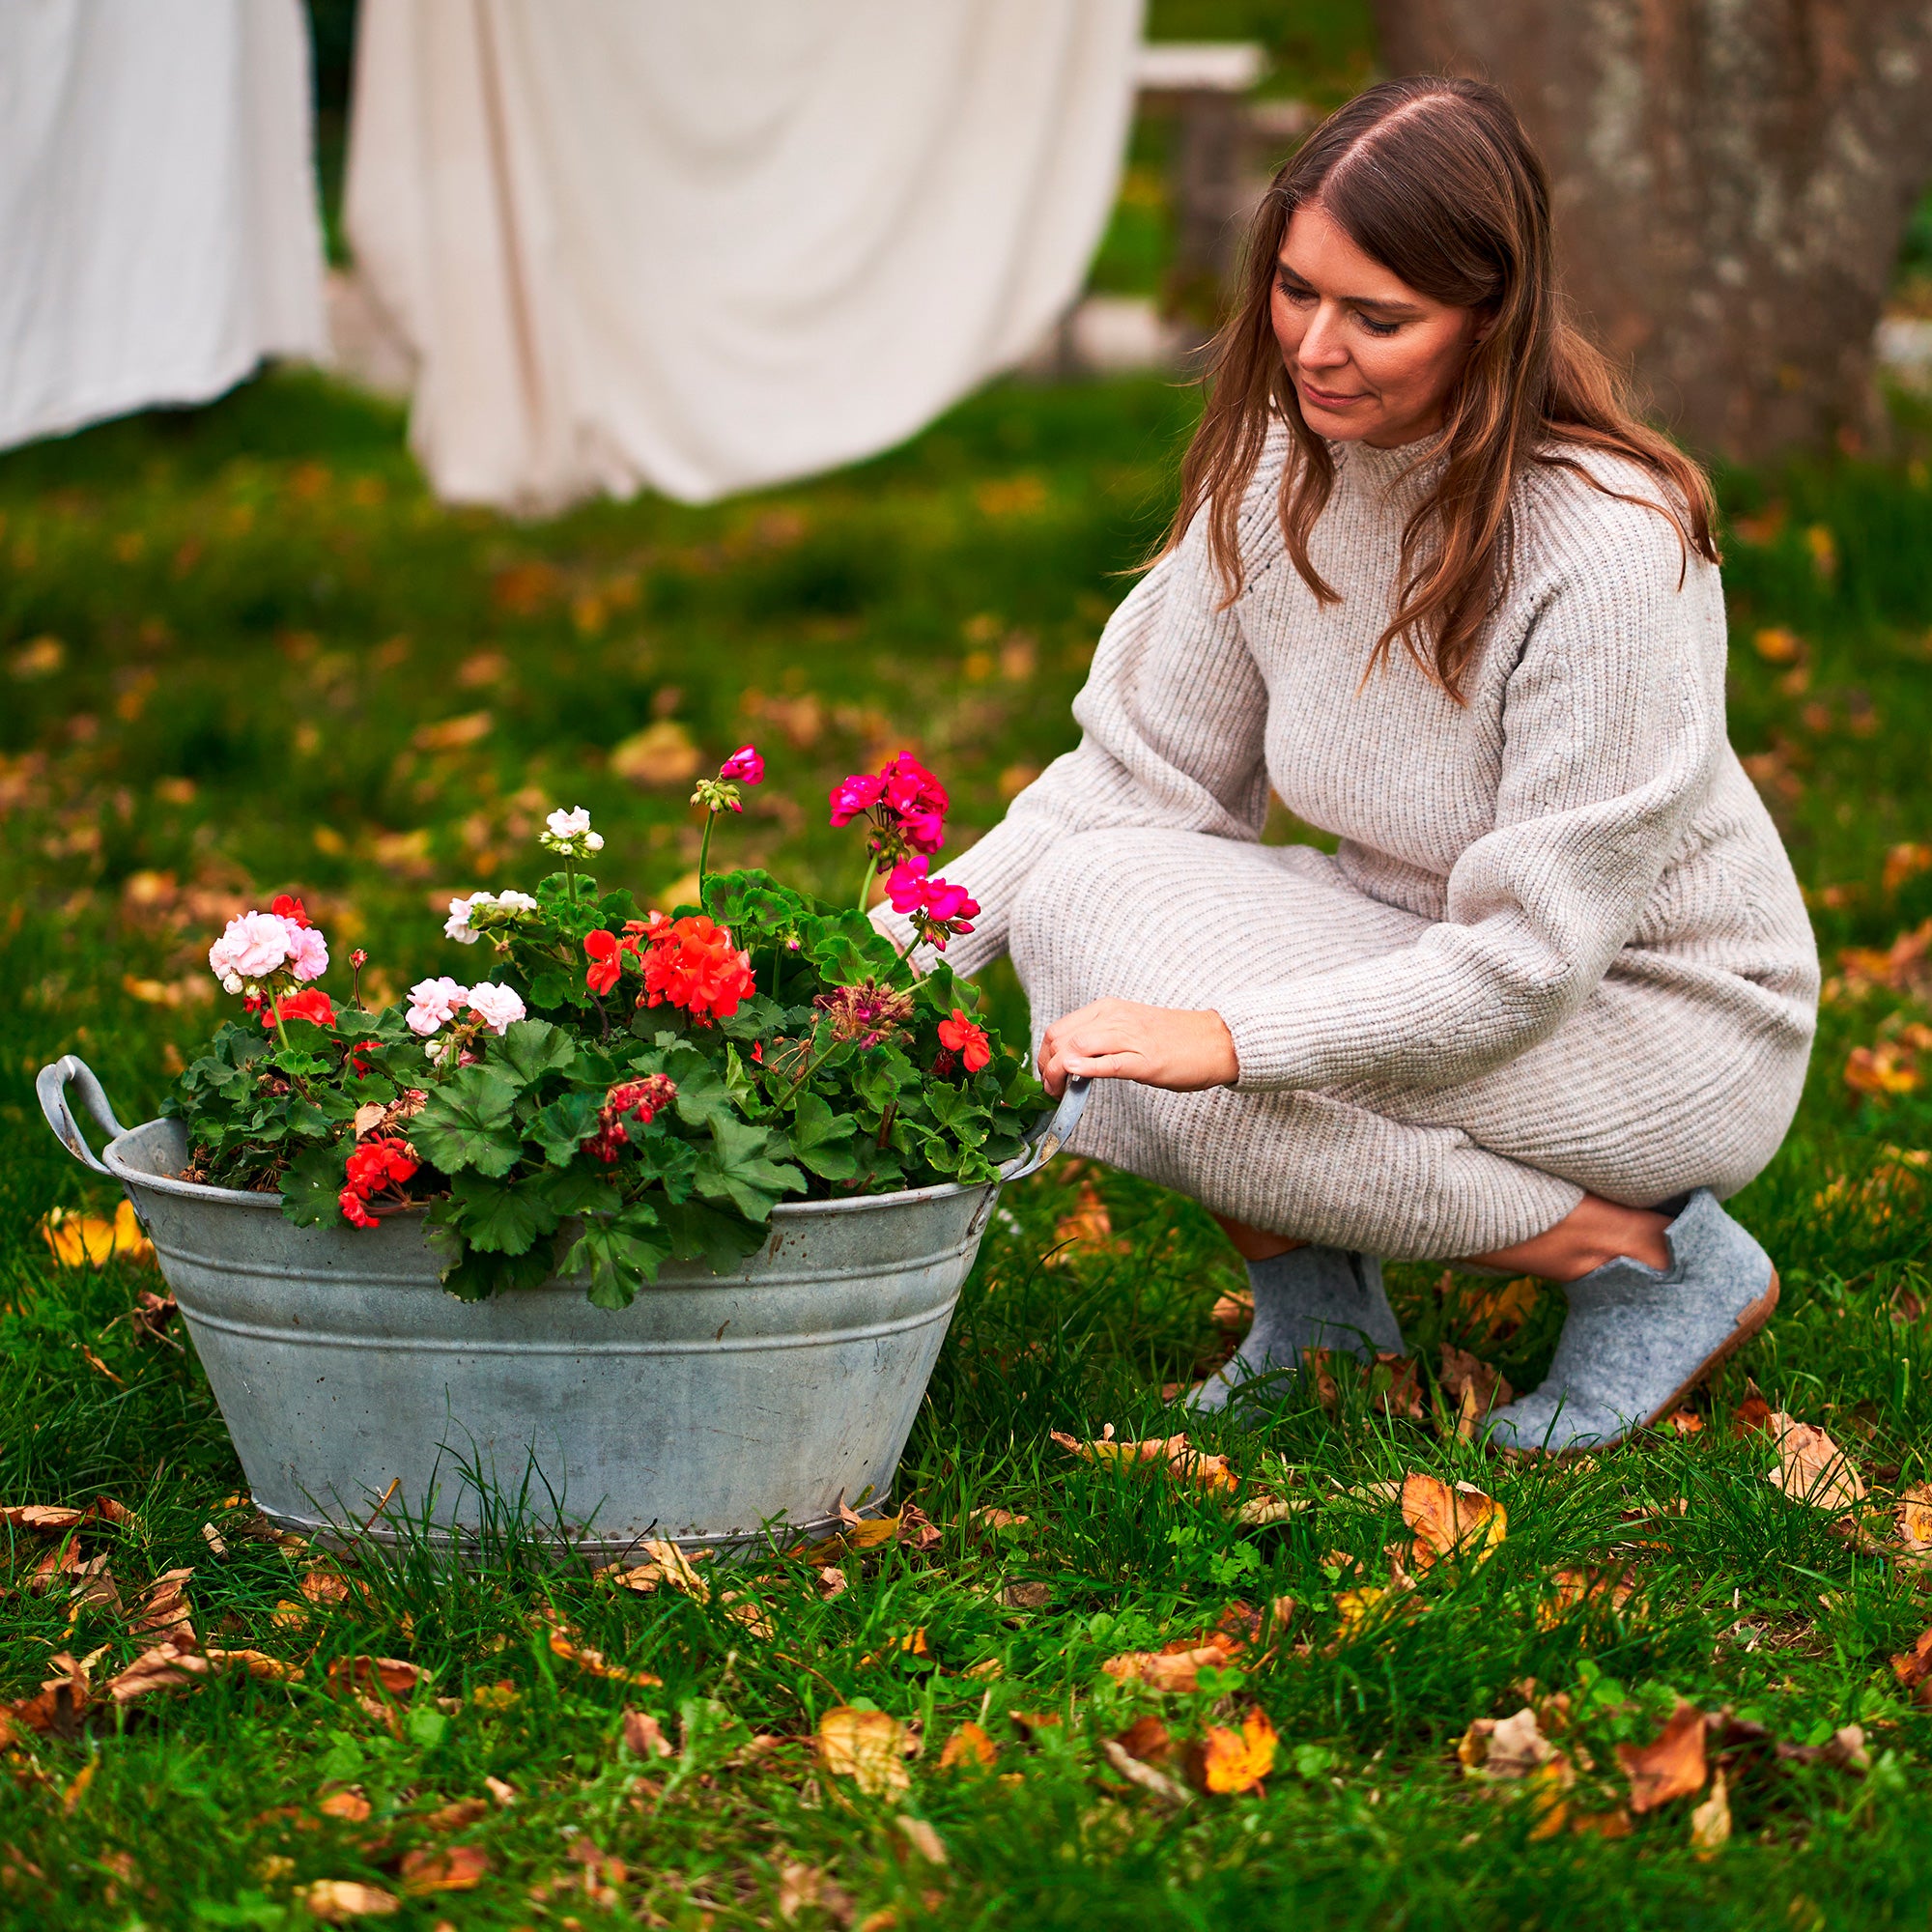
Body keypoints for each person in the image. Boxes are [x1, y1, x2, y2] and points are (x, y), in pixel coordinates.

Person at [880, 76, 1818, 1452]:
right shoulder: (1278, 471)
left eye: (1379, 319)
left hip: (1649, 1016)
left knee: (1196, 1069)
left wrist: (1231, 1041)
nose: (1316, 348)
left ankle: (1643, 1260)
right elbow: (1125, 786)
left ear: (1491, 322)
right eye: (1296, 291)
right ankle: (1320, 1324)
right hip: (1420, 934)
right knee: (1083, 904)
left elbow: (1529, 962)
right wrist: (867, 978)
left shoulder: (1611, 549)